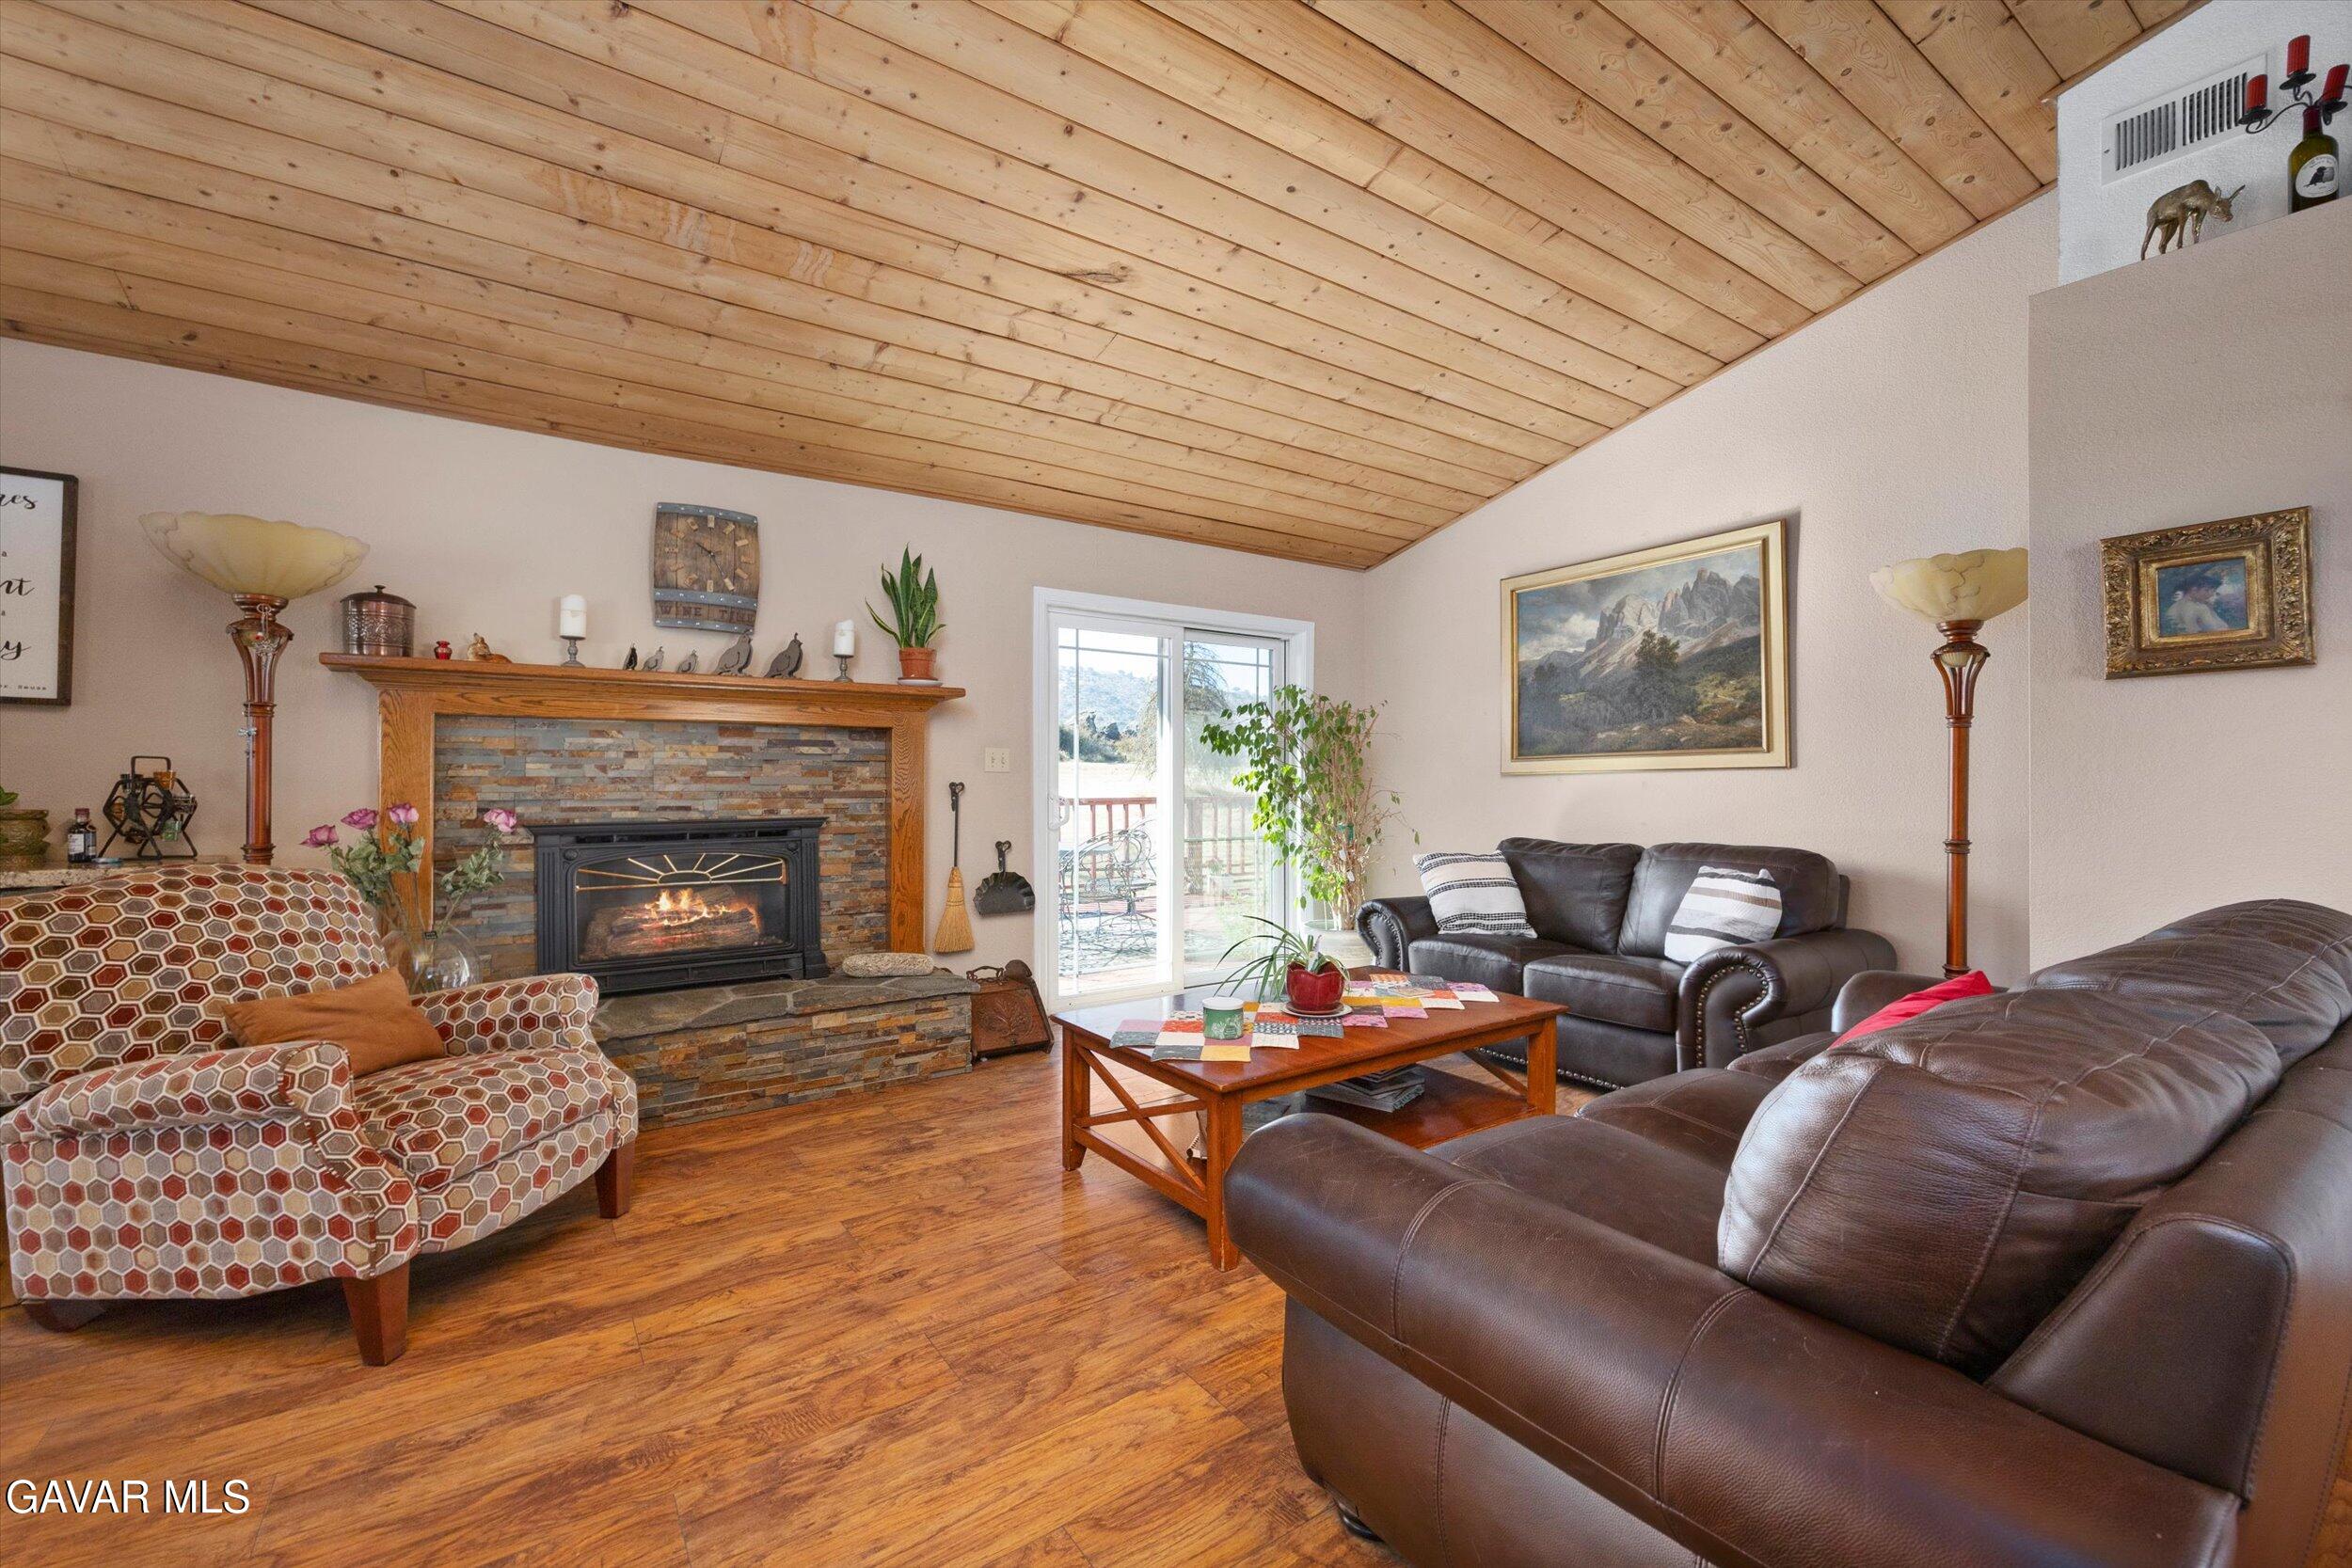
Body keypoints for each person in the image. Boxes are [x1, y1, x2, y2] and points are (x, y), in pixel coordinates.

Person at [2161, 565, 2233, 637]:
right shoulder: (2198, 607)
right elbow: (2217, 631)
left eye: (2212, 591)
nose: (2210, 594)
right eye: (2206, 590)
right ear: (2194, 590)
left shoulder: (2176, 605)